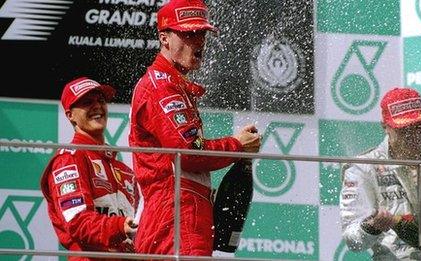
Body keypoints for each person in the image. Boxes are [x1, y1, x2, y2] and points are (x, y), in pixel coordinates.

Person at [128, 0, 261, 256]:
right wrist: (236, 145)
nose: (198, 41)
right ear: (164, 38)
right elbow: (188, 152)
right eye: (188, 33)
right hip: (175, 219)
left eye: (201, 33)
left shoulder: (175, 86)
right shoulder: (161, 86)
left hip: (183, 217)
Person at [340, 87, 421, 260]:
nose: (413, 135)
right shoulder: (364, 167)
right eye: (404, 129)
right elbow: (353, 242)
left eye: (418, 126)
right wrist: (371, 227)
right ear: (385, 127)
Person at [41, 77, 139, 260]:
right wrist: (119, 226)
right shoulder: (69, 159)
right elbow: (77, 221)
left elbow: (140, 223)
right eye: (87, 102)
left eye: (101, 101)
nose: (97, 106)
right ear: (70, 114)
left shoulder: (124, 170)